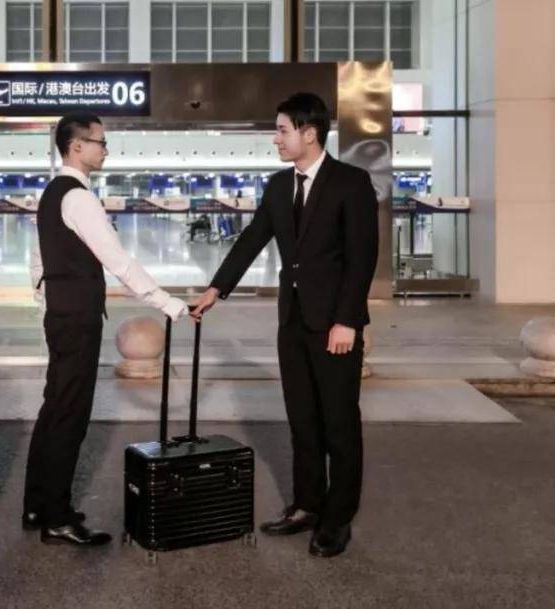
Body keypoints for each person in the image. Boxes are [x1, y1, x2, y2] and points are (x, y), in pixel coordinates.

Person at [190, 92, 379, 558]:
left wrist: (347, 321)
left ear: (309, 133)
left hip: (334, 325)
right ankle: (307, 505)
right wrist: (216, 289)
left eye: (281, 130)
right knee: (302, 420)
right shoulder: (278, 186)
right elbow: (252, 239)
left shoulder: (351, 183)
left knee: (339, 423)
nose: (275, 139)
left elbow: (361, 259)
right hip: (292, 321)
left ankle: (337, 518)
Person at [26, 113, 190, 546]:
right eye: (99, 142)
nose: (105, 149)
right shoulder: (79, 198)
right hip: (76, 319)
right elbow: (119, 261)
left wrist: (47, 307)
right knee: (70, 415)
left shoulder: (51, 193)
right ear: (76, 146)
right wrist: (167, 303)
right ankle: (57, 517)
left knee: (54, 408)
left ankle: (37, 504)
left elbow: (37, 262)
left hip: (61, 315)